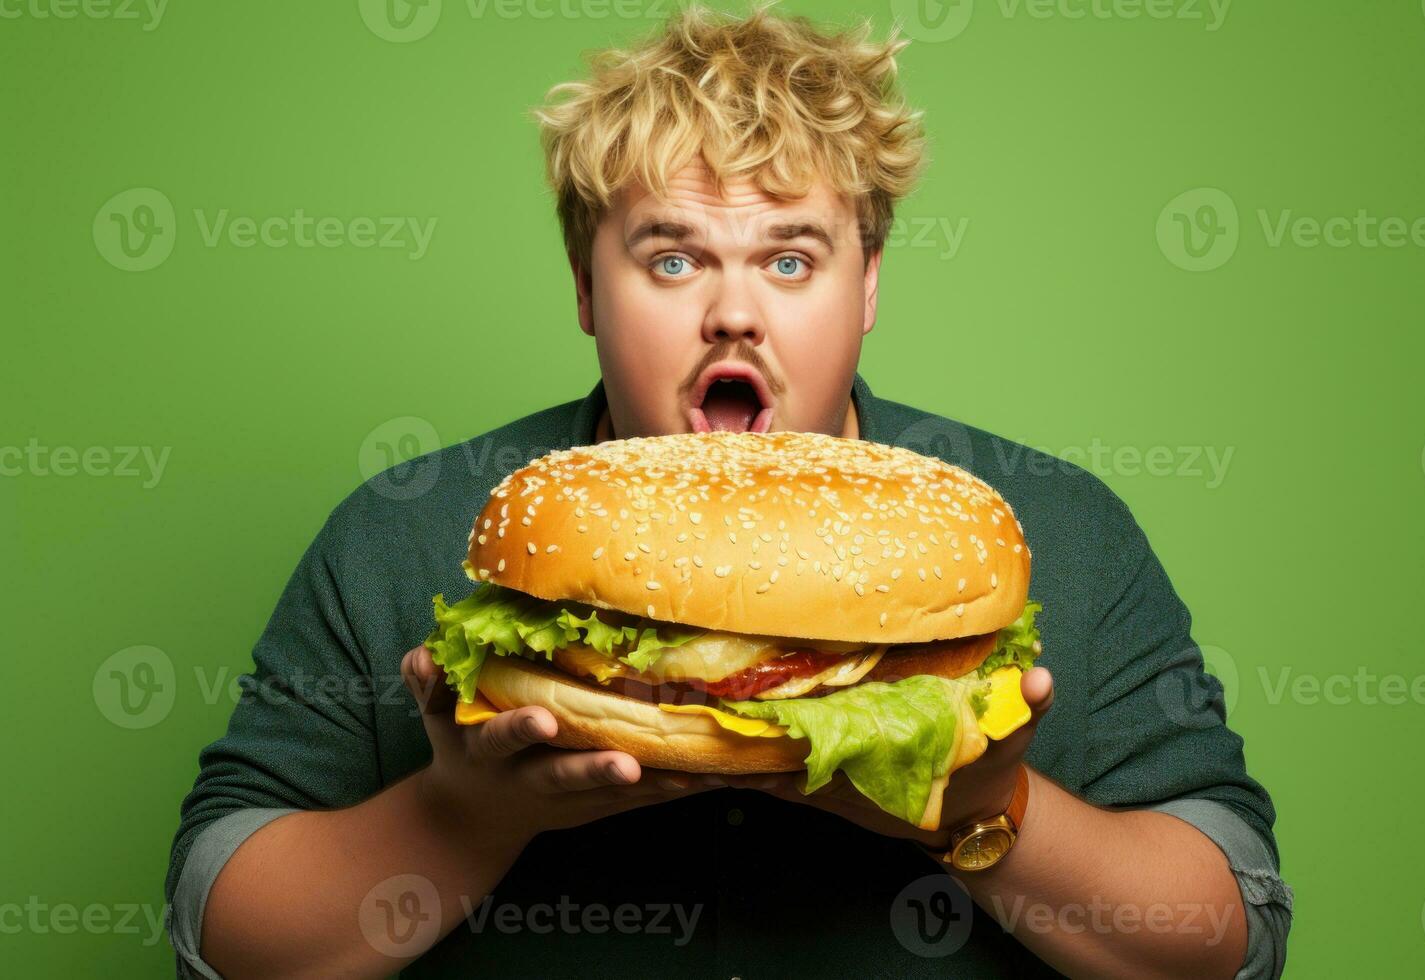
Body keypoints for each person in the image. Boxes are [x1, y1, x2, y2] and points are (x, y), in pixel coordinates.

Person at [165, 5, 1292, 977]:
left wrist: (987, 808)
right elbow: (216, 928)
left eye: (792, 259)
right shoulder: (416, 525)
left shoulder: (1040, 528)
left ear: (868, 288)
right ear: (583, 288)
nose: (734, 314)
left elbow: (1236, 932)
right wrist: (464, 814)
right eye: (671, 258)